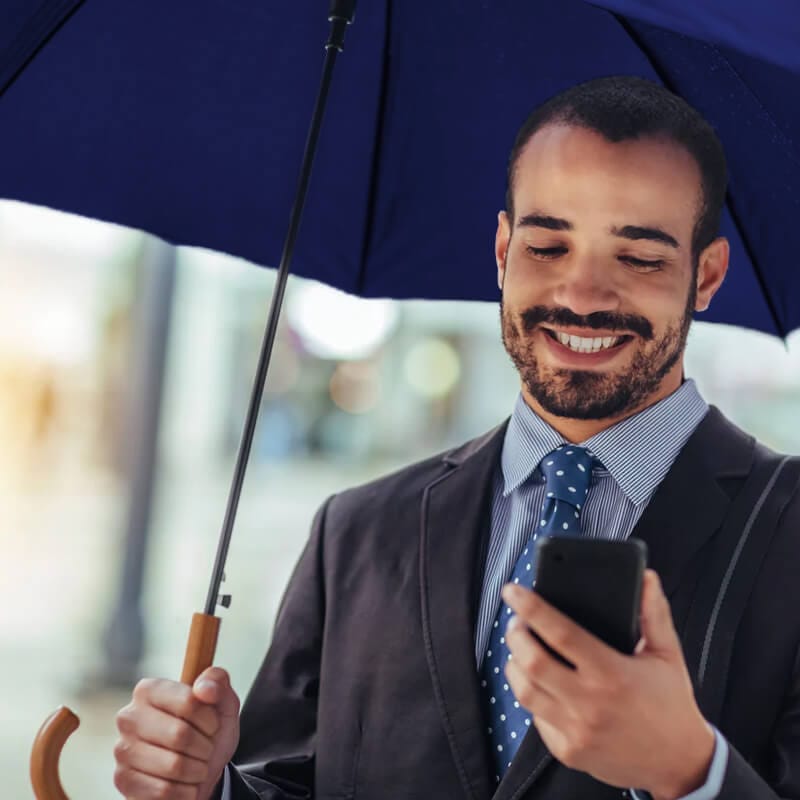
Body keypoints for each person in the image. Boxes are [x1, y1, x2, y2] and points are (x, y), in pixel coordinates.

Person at [111, 76, 800, 800]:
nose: (582, 295)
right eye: (547, 246)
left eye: (640, 259)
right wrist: (208, 787)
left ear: (707, 275)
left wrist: (691, 772)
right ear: (502, 251)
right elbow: (287, 783)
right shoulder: (357, 532)